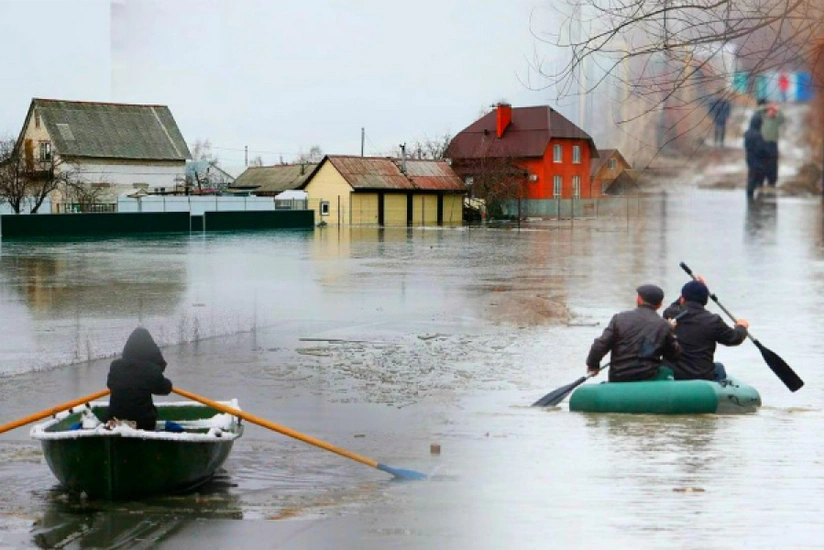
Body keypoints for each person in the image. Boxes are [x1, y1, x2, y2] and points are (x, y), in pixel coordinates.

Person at [586, 284, 681, 382]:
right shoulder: (664, 325)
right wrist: (671, 332)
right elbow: (673, 356)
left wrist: (593, 366)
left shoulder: (619, 319)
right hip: (648, 377)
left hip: (618, 376)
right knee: (667, 372)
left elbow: (600, 345)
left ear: (639, 299)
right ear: (660, 305)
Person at [663, 280, 749, 382]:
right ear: (705, 300)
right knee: (719, 367)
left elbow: (676, 304)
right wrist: (741, 327)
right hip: (701, 374)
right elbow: (734, 338)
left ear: (682, 299)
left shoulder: (670, 314)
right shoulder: (713, 321)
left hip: (673, 373)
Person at [106, 327, 173, 431]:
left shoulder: (115, 366)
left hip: (115, 422)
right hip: (143, 424)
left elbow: (110, 384)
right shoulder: (151, 370)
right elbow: (166, 389)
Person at [753, 99, 784, 191]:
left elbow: (783, 118)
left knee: (772, 164)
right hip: (762, 144)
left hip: (772, 144)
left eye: (773, 111)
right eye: (770, 111)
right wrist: (767, 107)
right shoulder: (763, 118)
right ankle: (760, 181)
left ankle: (772, 181)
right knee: (762, 163)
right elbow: (757, 110)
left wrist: (777, 109)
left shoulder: (776, 120)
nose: (771, 112)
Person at [744, 113, 769, 200]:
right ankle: (755, 196)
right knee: (757, 177)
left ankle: (750, 196)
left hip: (750, 158)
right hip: (758, 159)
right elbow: (761, 148)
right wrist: (766, 152)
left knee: (751, 176)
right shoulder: (757, 135)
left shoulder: (747, 133)